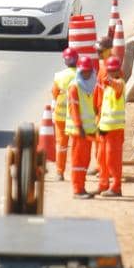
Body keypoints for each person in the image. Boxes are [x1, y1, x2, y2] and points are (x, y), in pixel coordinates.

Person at [65, 53, 101, 198]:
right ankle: (77, 189)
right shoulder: (74, 87)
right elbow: (74, 110)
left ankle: (82, 187)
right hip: (78, 131)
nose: (86, 74)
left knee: (85, 161)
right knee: (78, 161)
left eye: (88, 71)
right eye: (83, 71)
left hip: (90, 129)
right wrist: (79, 127)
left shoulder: (94, 84)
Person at [96, 54, 126, 197]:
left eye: (113, 70)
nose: (110, 73)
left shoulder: (119, 83)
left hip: (115, 131)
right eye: (109, 70)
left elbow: (117, 86)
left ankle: (116, 187)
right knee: (101, 158)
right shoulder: (107, 88)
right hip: (104, 129)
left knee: (112, 159)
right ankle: (103, 185)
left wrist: (109, 81)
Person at [51, 47, 79, 180]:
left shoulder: (59, 76)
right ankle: (76, 172)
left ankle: (59, 172)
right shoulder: (81, 74)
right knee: (76, 145)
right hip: (76, 117)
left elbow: (54, 93)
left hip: (61, 116)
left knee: (61, 145)